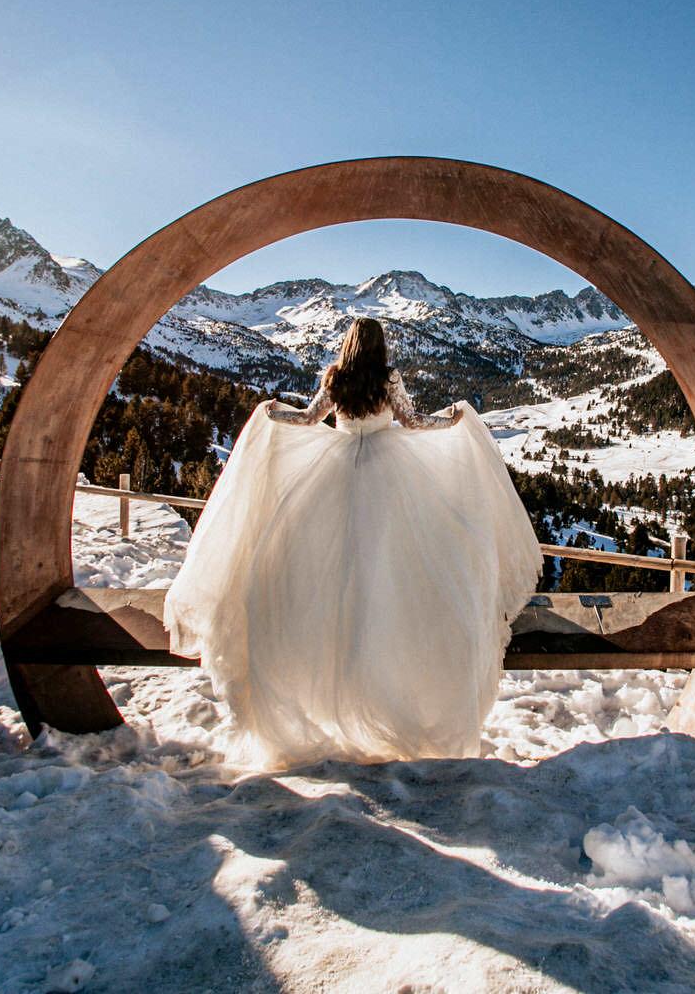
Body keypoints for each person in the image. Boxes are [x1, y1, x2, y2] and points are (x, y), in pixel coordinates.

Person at [163, 317, 542, 766]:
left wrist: (271, 414)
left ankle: (327, 694)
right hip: (389, 476)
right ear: (379, 347)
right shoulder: (388, 379)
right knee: (392, 571)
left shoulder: (335, 378)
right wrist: (454, 419)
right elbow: (413, 422)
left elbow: (307, 419)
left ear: (348, 345)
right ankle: (387, 686)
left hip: (335, 473)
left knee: (327, 574)